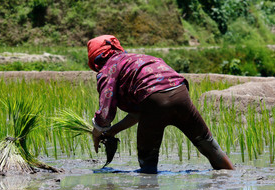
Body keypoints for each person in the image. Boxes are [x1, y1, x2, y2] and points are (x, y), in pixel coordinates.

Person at [87, 35, 234, 173]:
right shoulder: (137, 59)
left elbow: (105, 114)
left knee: (147, 160)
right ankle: (231, 178)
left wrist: (97, 131)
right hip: (180, 92)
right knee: (207, 144)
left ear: (95, 61)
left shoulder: (108, 70)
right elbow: (139, 113)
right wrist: (112, 131)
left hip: (154, 99)